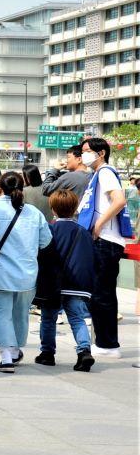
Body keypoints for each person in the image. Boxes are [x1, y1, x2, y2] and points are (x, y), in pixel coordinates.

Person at [0, 171, 51, 373]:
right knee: (21, 314)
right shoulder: (33, 213)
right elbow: (45, 241)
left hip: (0, 273)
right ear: (22, 187)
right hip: (27, 273)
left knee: (0, 313)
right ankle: (15, 350)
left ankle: (6, 357)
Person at [78, 137, 129, 359]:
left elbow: (119, 200)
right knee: (101, 293)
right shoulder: (97, 175)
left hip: (106, 240)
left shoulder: (106, 172)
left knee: (102, 294)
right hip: (103, 241)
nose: (84, 155)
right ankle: (106, 342)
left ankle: (108, 345)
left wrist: (99, 224)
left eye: (87, 151)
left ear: (101, 153)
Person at [34, 189, 96, 371]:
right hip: (77, 284)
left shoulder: (50, 229)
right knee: (77, 318)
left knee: (48, 318)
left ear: (53, 209)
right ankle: (84, 351)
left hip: (53, 284)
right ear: (75, 208)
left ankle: (47, 353)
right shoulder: (83, 232)